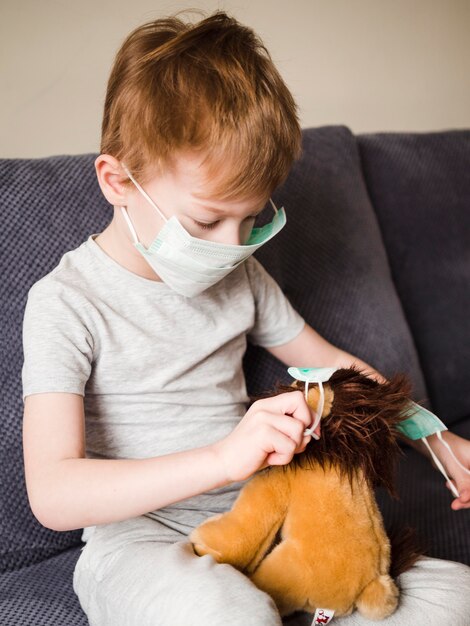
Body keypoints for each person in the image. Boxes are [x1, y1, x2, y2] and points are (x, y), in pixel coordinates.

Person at [21, 10, 470, 626]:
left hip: (268, 520)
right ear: (117, 180)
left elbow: (333, 367)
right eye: (207, 222)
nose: (232, 247)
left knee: (454, 598)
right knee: (222, 610)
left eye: (250, 221)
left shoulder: (243, 278)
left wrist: (435, 437)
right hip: (143, 546)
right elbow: (53, 493)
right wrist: (222, 460)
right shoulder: (66, 302)